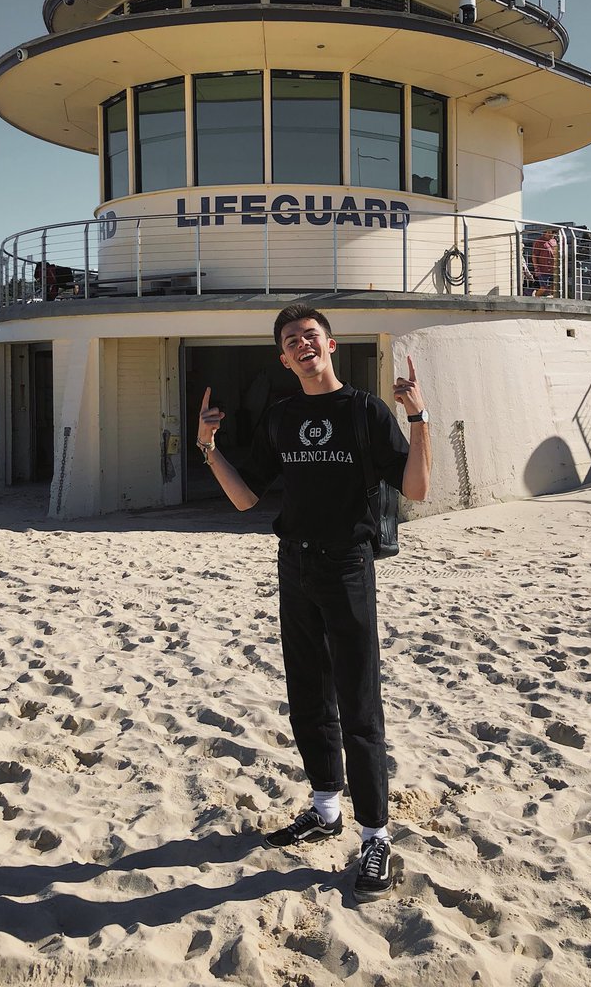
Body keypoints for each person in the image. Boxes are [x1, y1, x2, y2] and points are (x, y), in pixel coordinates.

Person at [196, 303, 431, 902]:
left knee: (358, 699)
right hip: (294, 564)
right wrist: (208, 446)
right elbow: (248, 498)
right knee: (307, 692)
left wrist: (418, 417)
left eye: (310, 335)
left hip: (347, 566)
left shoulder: (364, 411)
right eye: (290, 340)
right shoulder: (281, 417)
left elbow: (416, 488)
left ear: (331, 345)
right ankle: (325, 808)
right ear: (283, 357)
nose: (302, 344)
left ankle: (374, 835)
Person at [531, 228, 558, 296]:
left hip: (553, 269)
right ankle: (535, 297)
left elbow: (556, 254)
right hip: (543, 269)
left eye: (553, 233)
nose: (551, 234)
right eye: (549, 232)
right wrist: (536, 268)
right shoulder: (539, 242)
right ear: (545, 232)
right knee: (544, 287)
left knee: (553, 288)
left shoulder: (554, 241)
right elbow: (534, 255)